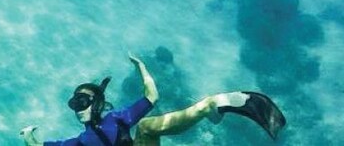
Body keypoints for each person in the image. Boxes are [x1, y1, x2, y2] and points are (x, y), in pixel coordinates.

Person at [20, 54, 286, 146]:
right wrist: (27, 135)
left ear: (98, 103)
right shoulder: (79, 142)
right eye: (74, 103)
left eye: (83, 101)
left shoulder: (118, 118)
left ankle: (209, 106)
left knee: (145, 126)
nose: (78, 108)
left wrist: (142, 68)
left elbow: (152, 96)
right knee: (145, 128)